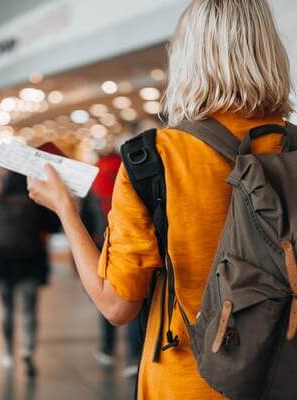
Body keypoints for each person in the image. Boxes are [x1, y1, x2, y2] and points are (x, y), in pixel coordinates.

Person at [26, 0, 293, 398]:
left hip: (187, 383)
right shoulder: (291, 150)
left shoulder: (152, 158)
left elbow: (117, 306)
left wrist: (65, 208)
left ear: (187, 57)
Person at [0, 171, 60, 377]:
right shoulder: (35, 204)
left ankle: (7, 354)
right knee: (29, 311)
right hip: (30, 263)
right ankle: (27, 351)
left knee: (6, 309)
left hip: (2, 264)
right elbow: (54, 226)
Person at [81, 151, 142, 376]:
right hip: (130, 245)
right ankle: (134, 356)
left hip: (101, 247)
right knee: (134, 298)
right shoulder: (131, 171)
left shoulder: (94, 178)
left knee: (107, 298)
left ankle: (107, 348)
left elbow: (85, 218)